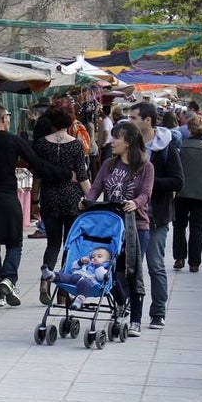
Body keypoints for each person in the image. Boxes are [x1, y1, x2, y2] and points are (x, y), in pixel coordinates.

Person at [0, 104, 68, 308]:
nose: (9, 120)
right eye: (8, 116)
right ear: (2, 119)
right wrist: (64, 174)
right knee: (14, 243)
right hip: (8, 198)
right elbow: (37, 163)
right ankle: (8, 278)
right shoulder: (13, 140)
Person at [83, 121, 154, 337]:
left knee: (131, 272)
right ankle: (122, 303)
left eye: (117, 138)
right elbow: (95, 188)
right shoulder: (108, 165)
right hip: (111, 227)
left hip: (136, 227)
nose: (112, 142)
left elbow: (146, 193)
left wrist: (136, 203)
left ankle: (135, 321)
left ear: (129, 142)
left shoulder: (145, 166)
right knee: (109, 270)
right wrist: (85, 202)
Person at [128, 101, 183, 333]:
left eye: (134, 118)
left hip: (157, 216)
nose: (130, 122)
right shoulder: (129, 146)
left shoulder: (166, 147)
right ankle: (131, 310)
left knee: (155, 264)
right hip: (132, 217)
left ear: (147, 121)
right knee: (130, 266)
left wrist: (148, 184)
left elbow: (178, 180)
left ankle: (158, 312)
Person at [33, 100, 91, 304]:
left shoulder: (41, 144)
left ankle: (44, 280)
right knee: (70, 245)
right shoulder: (75, 144)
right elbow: (82, 177)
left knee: (53, 244)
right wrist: (92, 200)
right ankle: (64, 291)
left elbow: (37, 176)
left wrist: (34, 199)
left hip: (50, 198)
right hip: (71, 199)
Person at [173, 114, 202, 272]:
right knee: (197, 229)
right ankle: (194, 263)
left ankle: (179, 257)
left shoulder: (180, 149)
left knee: (179, 225)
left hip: (181, 193)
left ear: (189, 129)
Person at [40, 246, 112, 309]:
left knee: (85, 282)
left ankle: (79, 300)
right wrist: (80, 262)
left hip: (90, 283)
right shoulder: (87, 264)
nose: (95, 258)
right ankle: (52, 276)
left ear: (107, 261)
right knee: (65, 276)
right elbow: (73, 269)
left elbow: (100, 277)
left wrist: (98, 266)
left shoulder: (104, 269)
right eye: (93, 257)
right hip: (76, 277)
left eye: (99, 257)